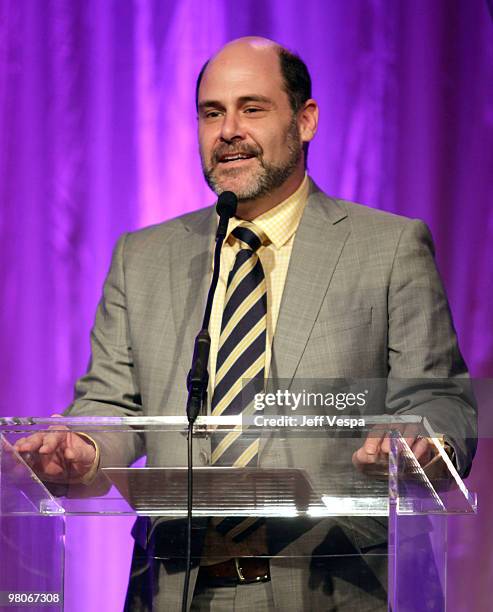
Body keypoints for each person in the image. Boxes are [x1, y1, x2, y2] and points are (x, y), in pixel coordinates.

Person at [15, 37, 476, 611]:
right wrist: (81, 445)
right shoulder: (143, 257)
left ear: (305, 121)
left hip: (333, 587)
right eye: (212, 113)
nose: (228, 130)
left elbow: (436, 395)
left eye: (252, 108)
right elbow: (112, 403)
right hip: (176, 588)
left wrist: (421, 438)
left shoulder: (387, 247)